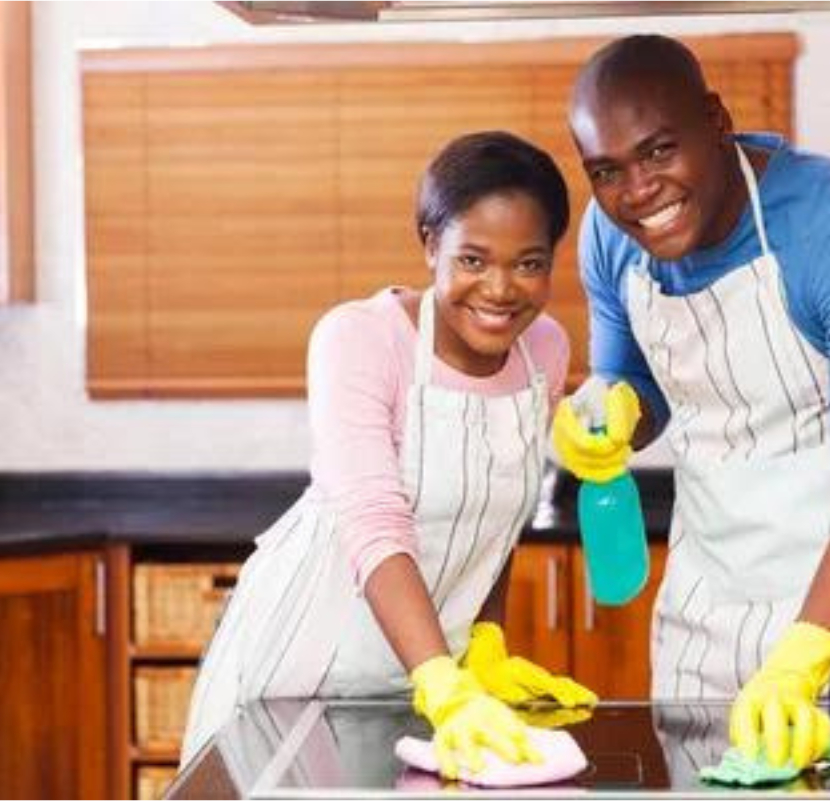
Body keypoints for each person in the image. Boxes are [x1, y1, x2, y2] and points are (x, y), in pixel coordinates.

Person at [553, 34, 830, 771]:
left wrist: (799, 662)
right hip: (704, 615)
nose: (637, 192)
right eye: (606, 170)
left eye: (658, 151)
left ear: (717, 120)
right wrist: (612, 415)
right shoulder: (609, 240)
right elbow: (634, 382)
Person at [181, 130, 597, 779]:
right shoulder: (360, 337)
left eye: (528, 263)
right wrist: (442, 682)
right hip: (302, 671)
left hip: (427, 676)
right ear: (430, 244)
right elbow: (374, 518)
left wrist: (485, 644)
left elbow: (496, 519)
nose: (500, 289)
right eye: (473, 259)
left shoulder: (544, 347)